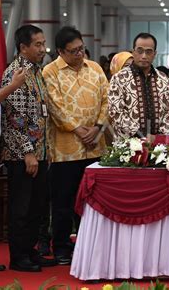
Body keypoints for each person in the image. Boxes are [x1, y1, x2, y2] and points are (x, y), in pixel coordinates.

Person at [43, 26, 109, 265]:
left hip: (95, 146)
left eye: (81, 49)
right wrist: (80, 130)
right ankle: (61, 249)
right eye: (73, 51)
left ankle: (89, 245)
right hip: (65, 150)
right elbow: (54, 107)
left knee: (92, 200)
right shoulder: (50, 72)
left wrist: (98, 127)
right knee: (63, 202)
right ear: (60, 51)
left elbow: (106, 99)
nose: (79, 54)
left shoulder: (95, 68)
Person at [2, 25, 57, 272]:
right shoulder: (14, 73)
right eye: (37, 44)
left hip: (40, 151)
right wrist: (28, 153)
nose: (42, 49)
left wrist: (45, 149)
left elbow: (40, 112)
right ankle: (18, 256)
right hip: (21, 155)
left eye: (43, 43)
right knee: (21, 208)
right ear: (23, 47)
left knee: (37, 206)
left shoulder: (37, 71)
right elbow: (15, 119)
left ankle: (30, 250)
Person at [108, 32, 169, 139]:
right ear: (133, 52)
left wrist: (159, 137)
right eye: (140, 51)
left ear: (154, 54)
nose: (144, 56)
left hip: (159, 146)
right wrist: (142, 136)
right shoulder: (119, 78)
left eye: (148, 52)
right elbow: (116, 112)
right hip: (127, 147)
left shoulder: (163, 78)